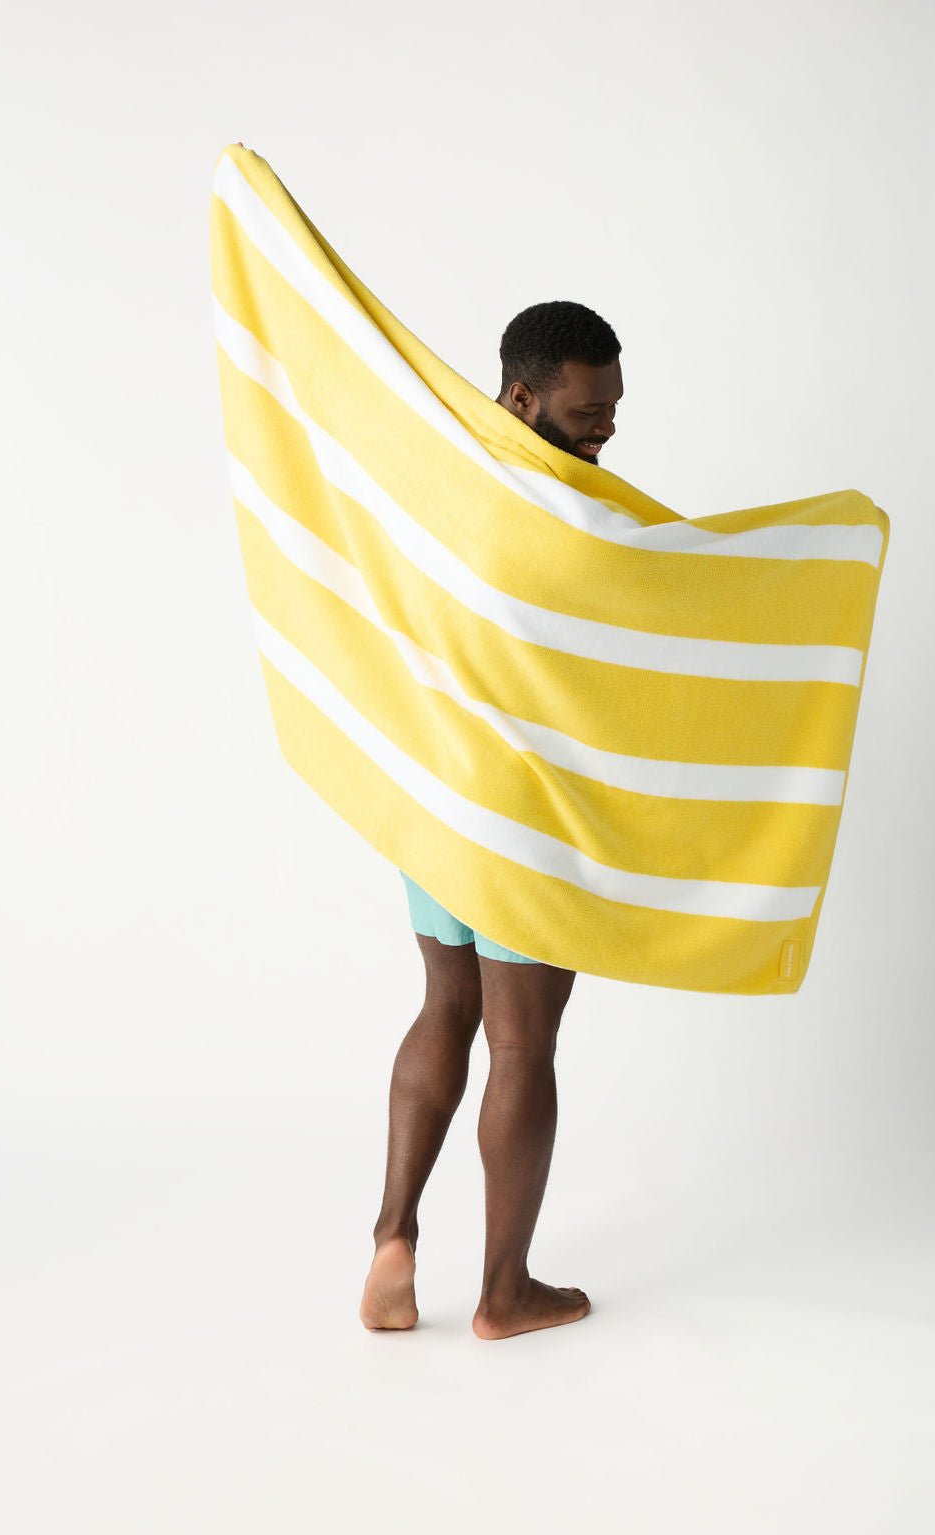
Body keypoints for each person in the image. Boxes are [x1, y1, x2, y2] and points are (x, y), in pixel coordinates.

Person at [360, 301, 624, 1341]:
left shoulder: (439, 475)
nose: (606, 429)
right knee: (523, 1043)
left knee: (445, 1008)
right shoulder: (571, 510)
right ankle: (504, 1294)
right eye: (588, 411)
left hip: (435, 793)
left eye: (613, 408)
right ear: (523, 396)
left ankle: (392, 1239)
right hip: (524, 810)